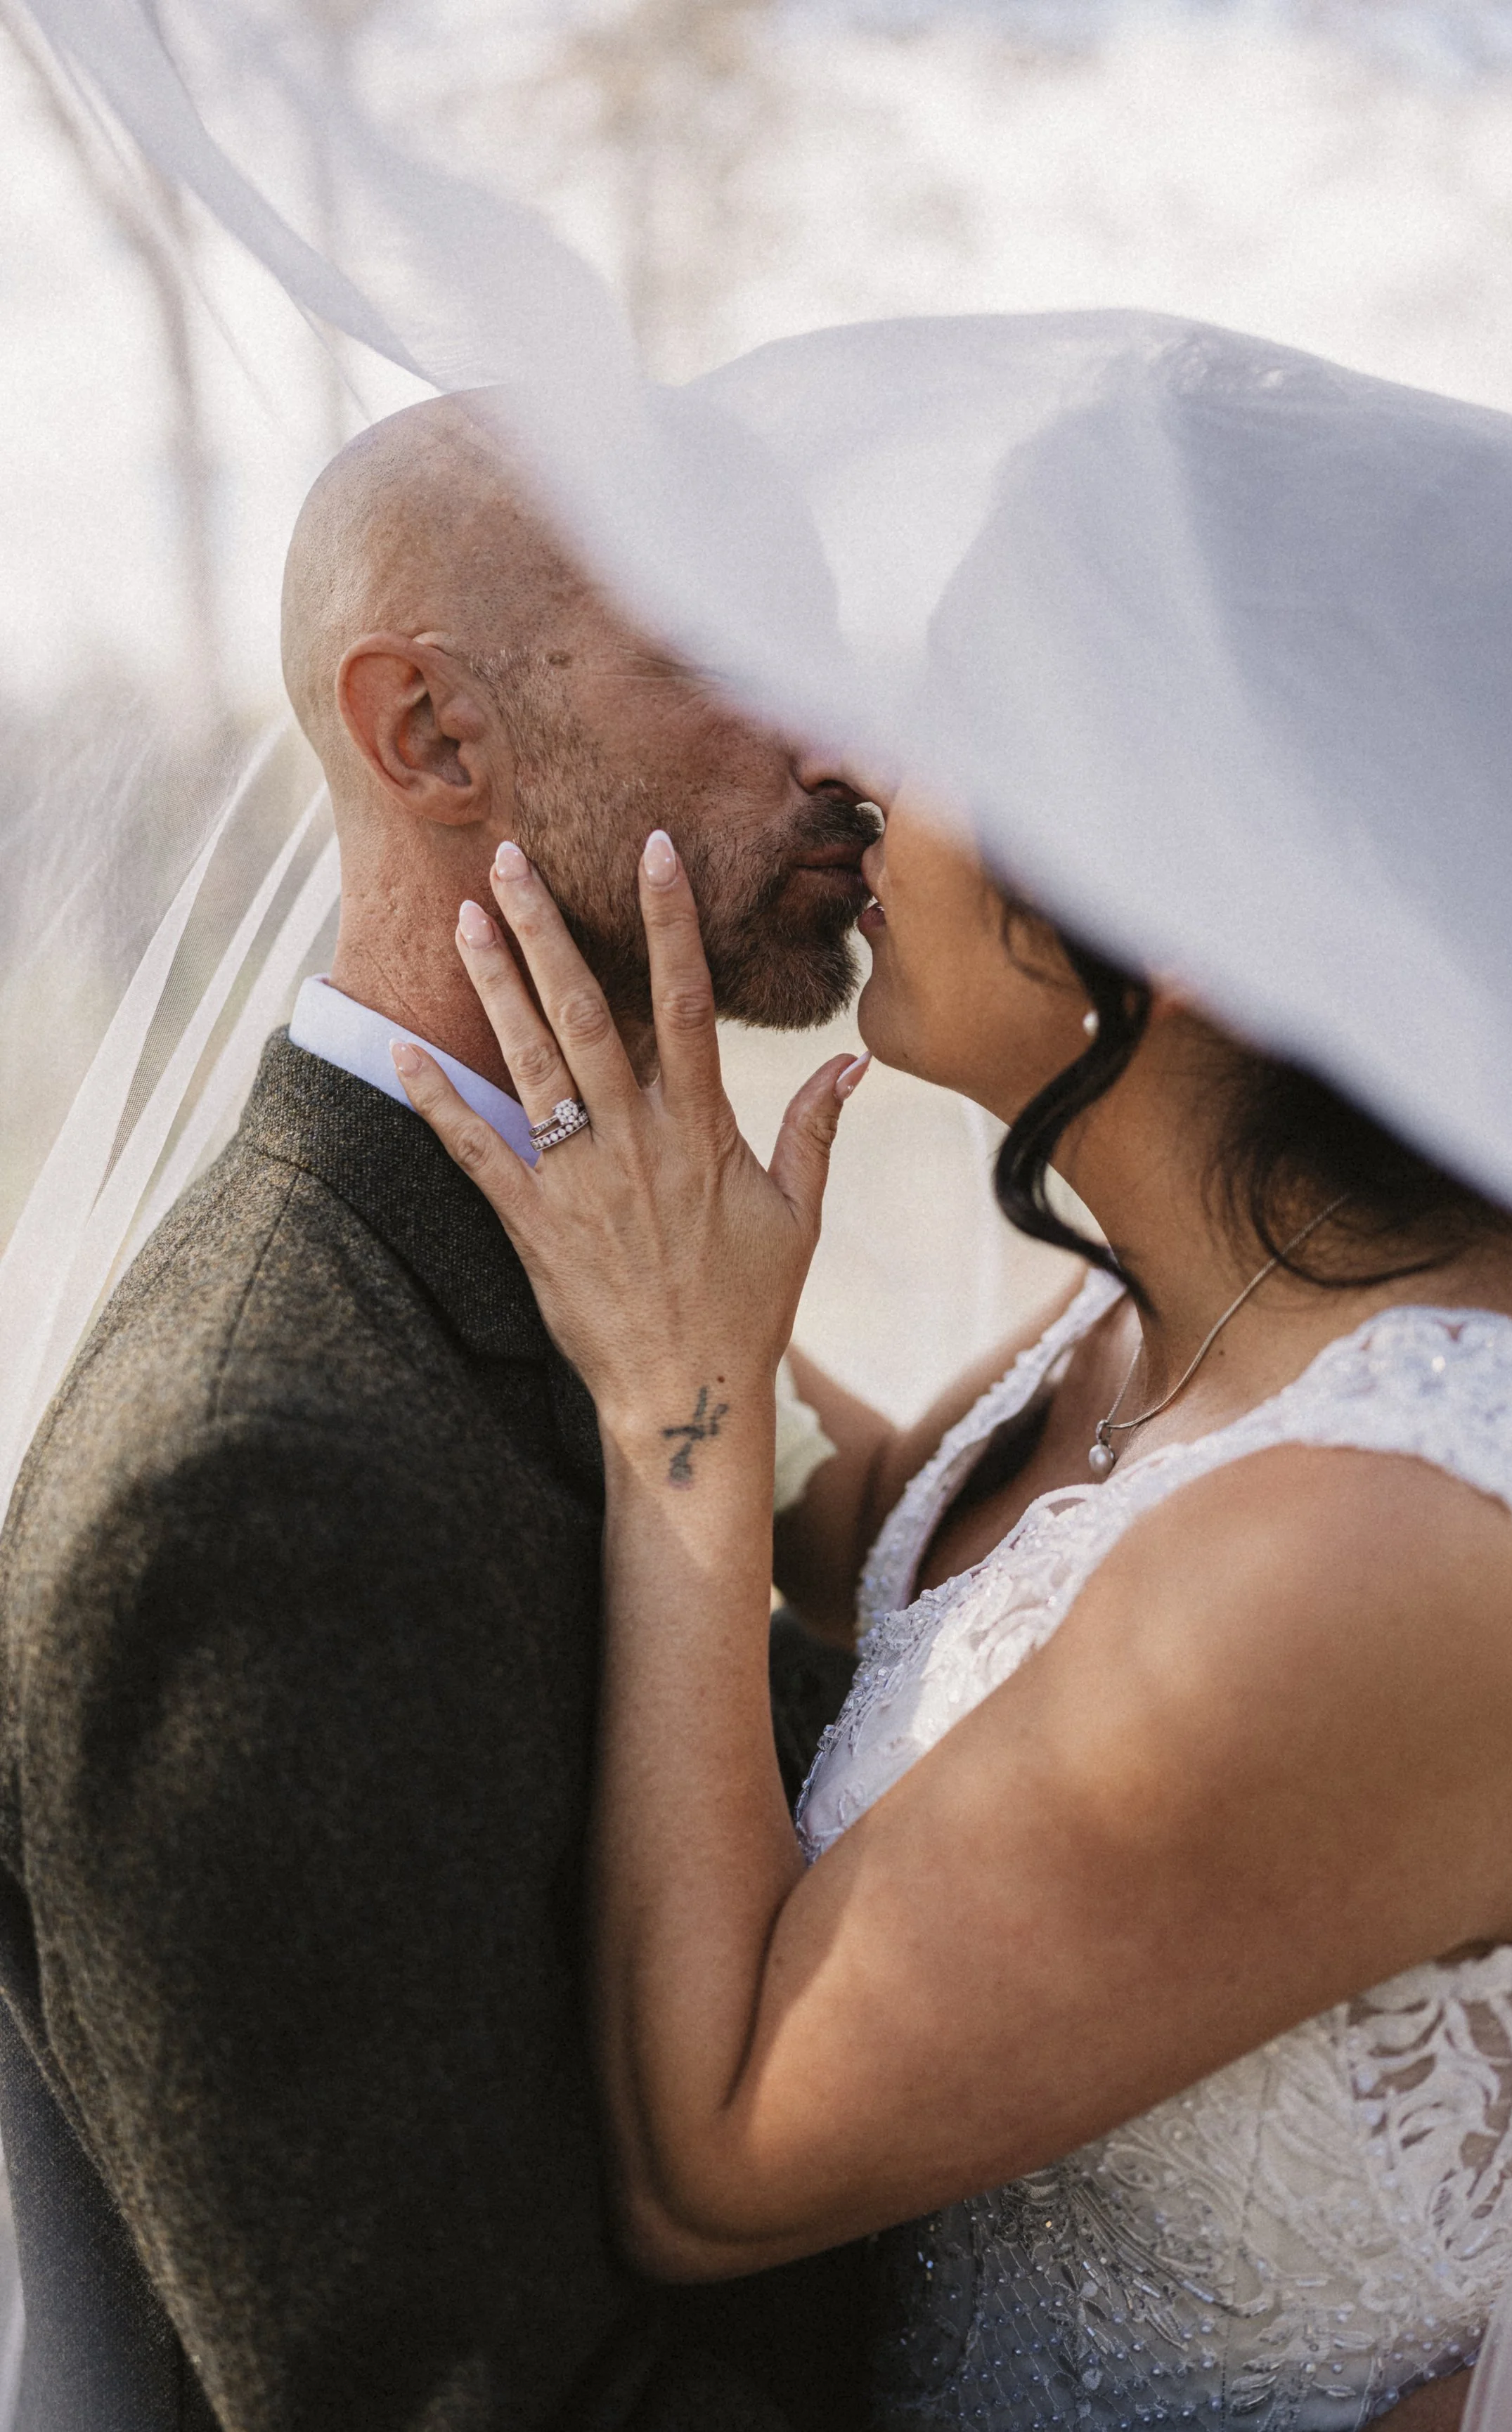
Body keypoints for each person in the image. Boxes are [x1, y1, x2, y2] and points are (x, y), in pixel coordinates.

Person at [399, 784, 1512, 2432]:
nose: (861, 776)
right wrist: (644, 1259)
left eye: (953, 719)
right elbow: (904, 1545)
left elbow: (711, 2154)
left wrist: (677, 1414)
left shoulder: (1372, 1547)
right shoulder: (1219, 1293)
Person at [0, 396, 879, 2432]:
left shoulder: (620, 1289)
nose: (851, 755)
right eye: (743, 652)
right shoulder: (256, 1482)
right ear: (428, 736)